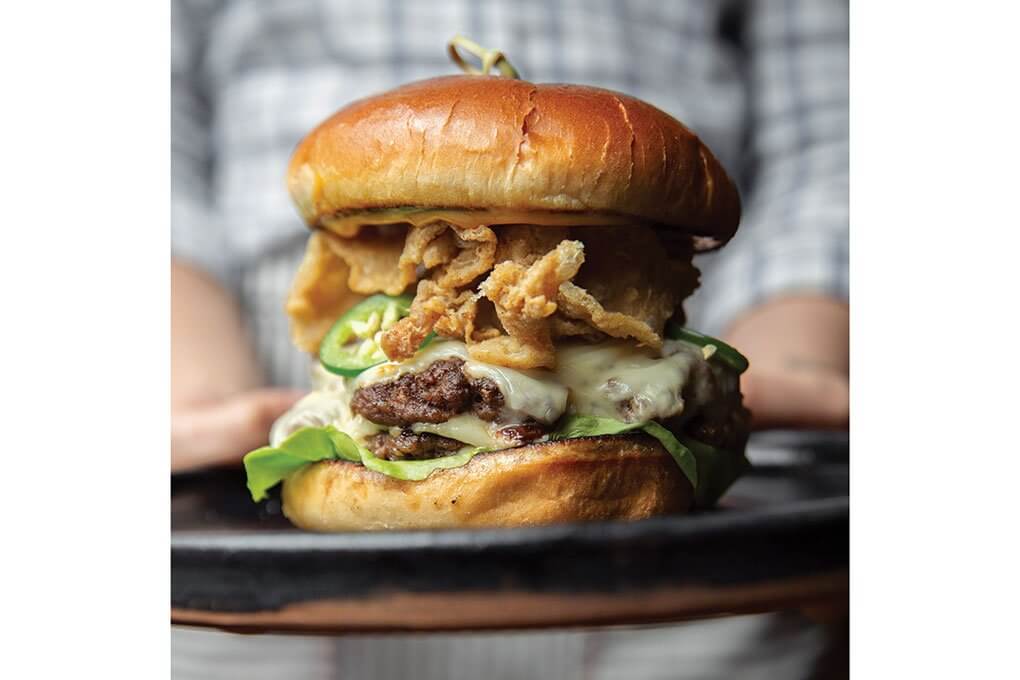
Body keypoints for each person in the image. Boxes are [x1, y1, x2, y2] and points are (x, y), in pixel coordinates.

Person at [172, 1, 848, 678]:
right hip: (258, 424)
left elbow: (831, 140)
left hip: (681, 552)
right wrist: (195, 389)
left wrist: (792, 357)